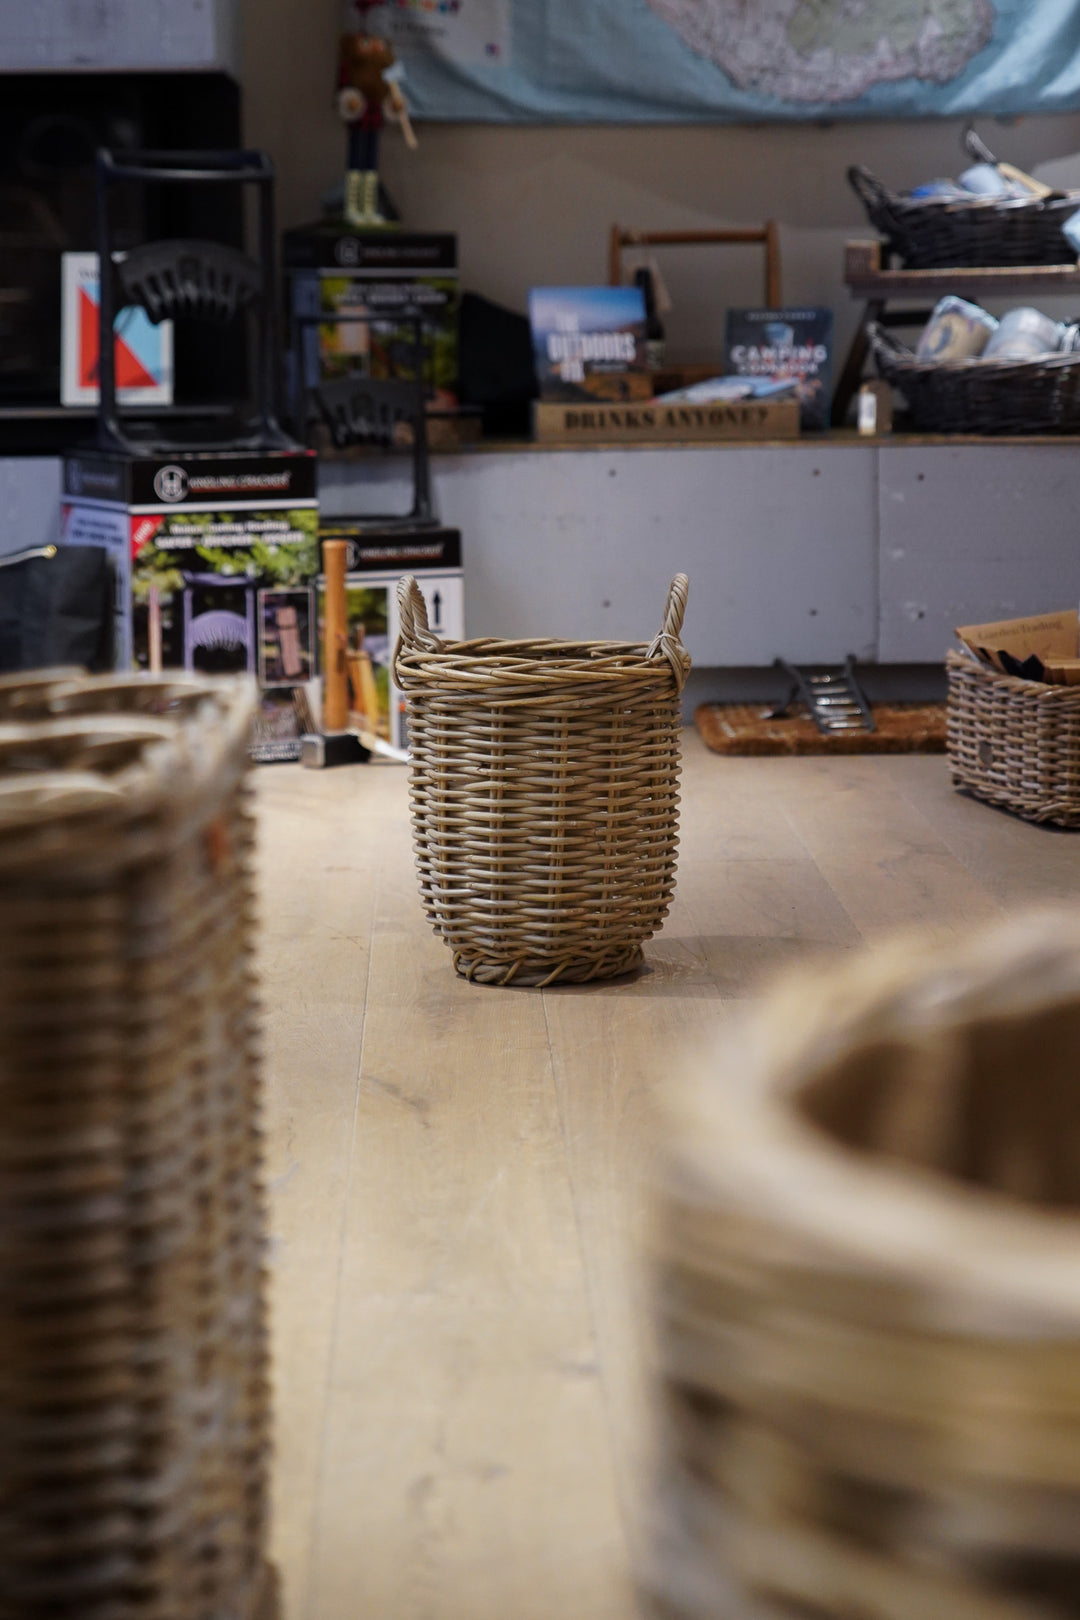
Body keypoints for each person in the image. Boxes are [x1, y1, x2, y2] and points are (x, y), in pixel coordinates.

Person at [336, 5, 417, 227]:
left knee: (371, 158)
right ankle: (352, 207)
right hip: (358, 108)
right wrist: (346, 95)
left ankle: (368, 207)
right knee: (356, 156)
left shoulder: (385, 51)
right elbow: (344, 75)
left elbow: (392, 79)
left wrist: (396, 100)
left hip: (375, 109)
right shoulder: (352, 47)